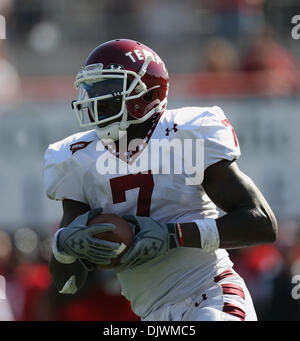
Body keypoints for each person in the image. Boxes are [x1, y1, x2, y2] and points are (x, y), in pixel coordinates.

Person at [44, 39, 278, 321]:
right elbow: (67, 284)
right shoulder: (77, 157)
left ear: (147, 94)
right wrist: (64, 247)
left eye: (107, 89)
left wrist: (173, 236)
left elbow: (261, 223)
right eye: (91, 89)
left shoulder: (187, 134)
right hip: (151, 314)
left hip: (210, 294)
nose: (94, 99)